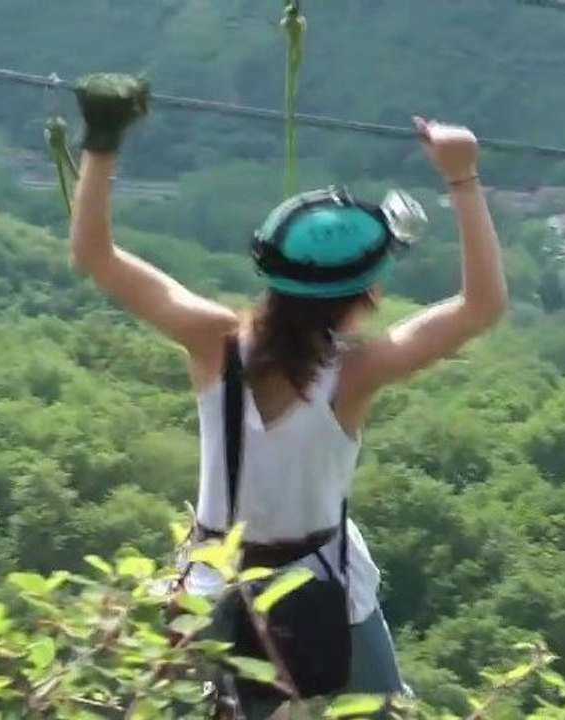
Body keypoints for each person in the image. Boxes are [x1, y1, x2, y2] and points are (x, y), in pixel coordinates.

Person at [67, 74, 507, 717]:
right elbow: (482, 306)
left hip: (213, 583)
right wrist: (463, 177)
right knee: (378, 711)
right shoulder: (356, 372)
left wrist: (103, 139)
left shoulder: (214, 342)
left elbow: (96, 256)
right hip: (327, 580)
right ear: (368, 293)